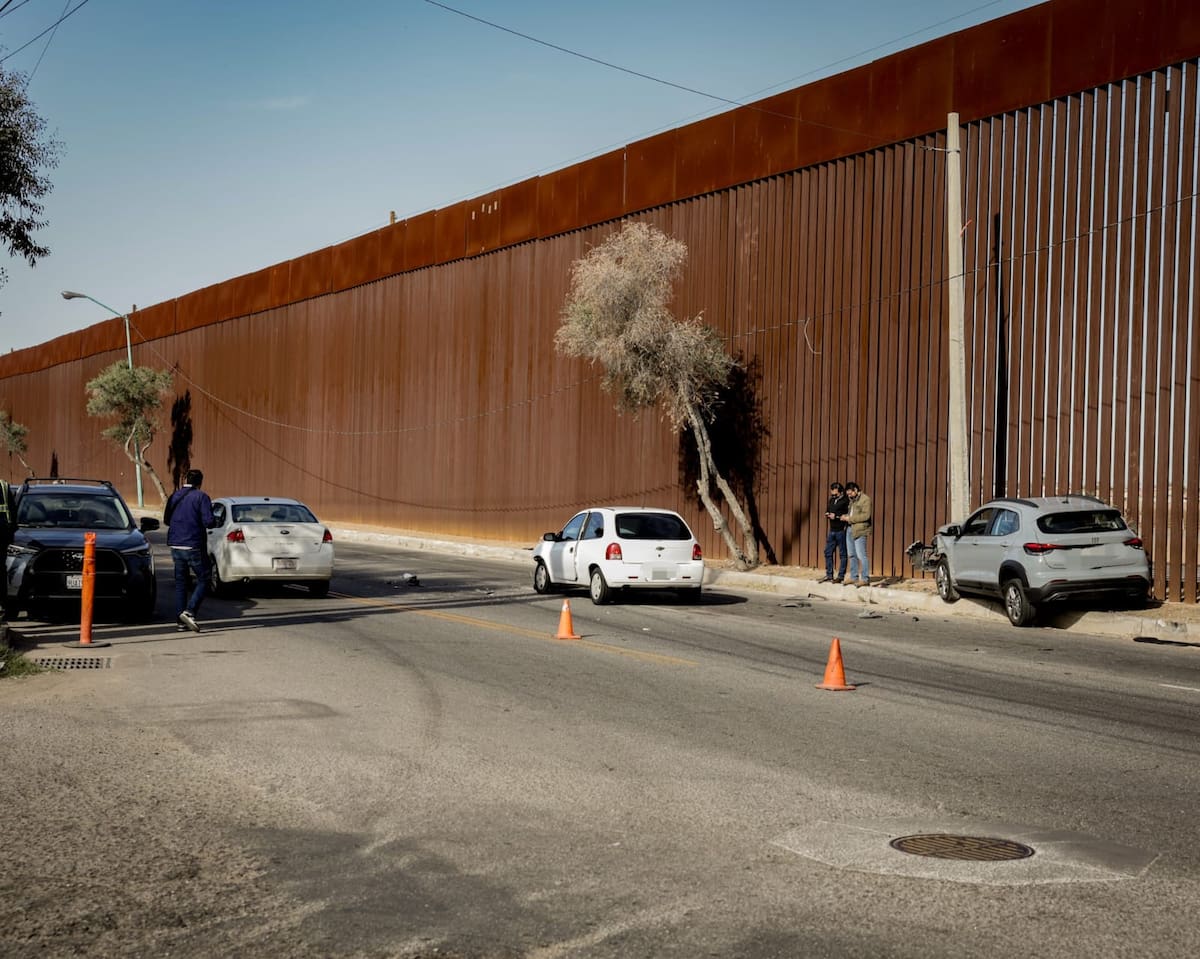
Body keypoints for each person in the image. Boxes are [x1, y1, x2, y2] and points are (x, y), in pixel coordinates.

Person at [164, 468, 215, 632]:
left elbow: (166, 520)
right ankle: (190, 611)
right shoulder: (202, 497)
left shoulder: (175, 496)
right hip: (193, 544)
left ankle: (180, 621)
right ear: (200, 482)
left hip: (175, 544)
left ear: (186, 480)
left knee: (181, 583)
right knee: (205, 579)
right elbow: (208, 522)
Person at [840, 480, 873, 587]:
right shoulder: (852, 500)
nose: (849, 496)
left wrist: (850, 518)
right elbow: (852, 513)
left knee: (861, 555)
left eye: (850, 493)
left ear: (855, 490)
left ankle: (865, 578)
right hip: (850, 528)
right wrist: (845, 516)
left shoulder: (865, 499)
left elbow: (865, 516)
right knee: (851, 554)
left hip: (860, 530)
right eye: (848, 494)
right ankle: (854, 577)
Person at [818, 481, 849, 583]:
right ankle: (829, 575)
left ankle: (840, 576)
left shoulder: (846, 501)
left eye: (835, 494)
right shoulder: (832, 500)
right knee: (827, 552)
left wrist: (835, 516)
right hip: (832, 530)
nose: (833, 496)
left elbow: (847, 515)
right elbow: (828, 509)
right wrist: (827, 513)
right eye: (832, 494)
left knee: (843, 554)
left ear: (840, 492)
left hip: (841, 530)